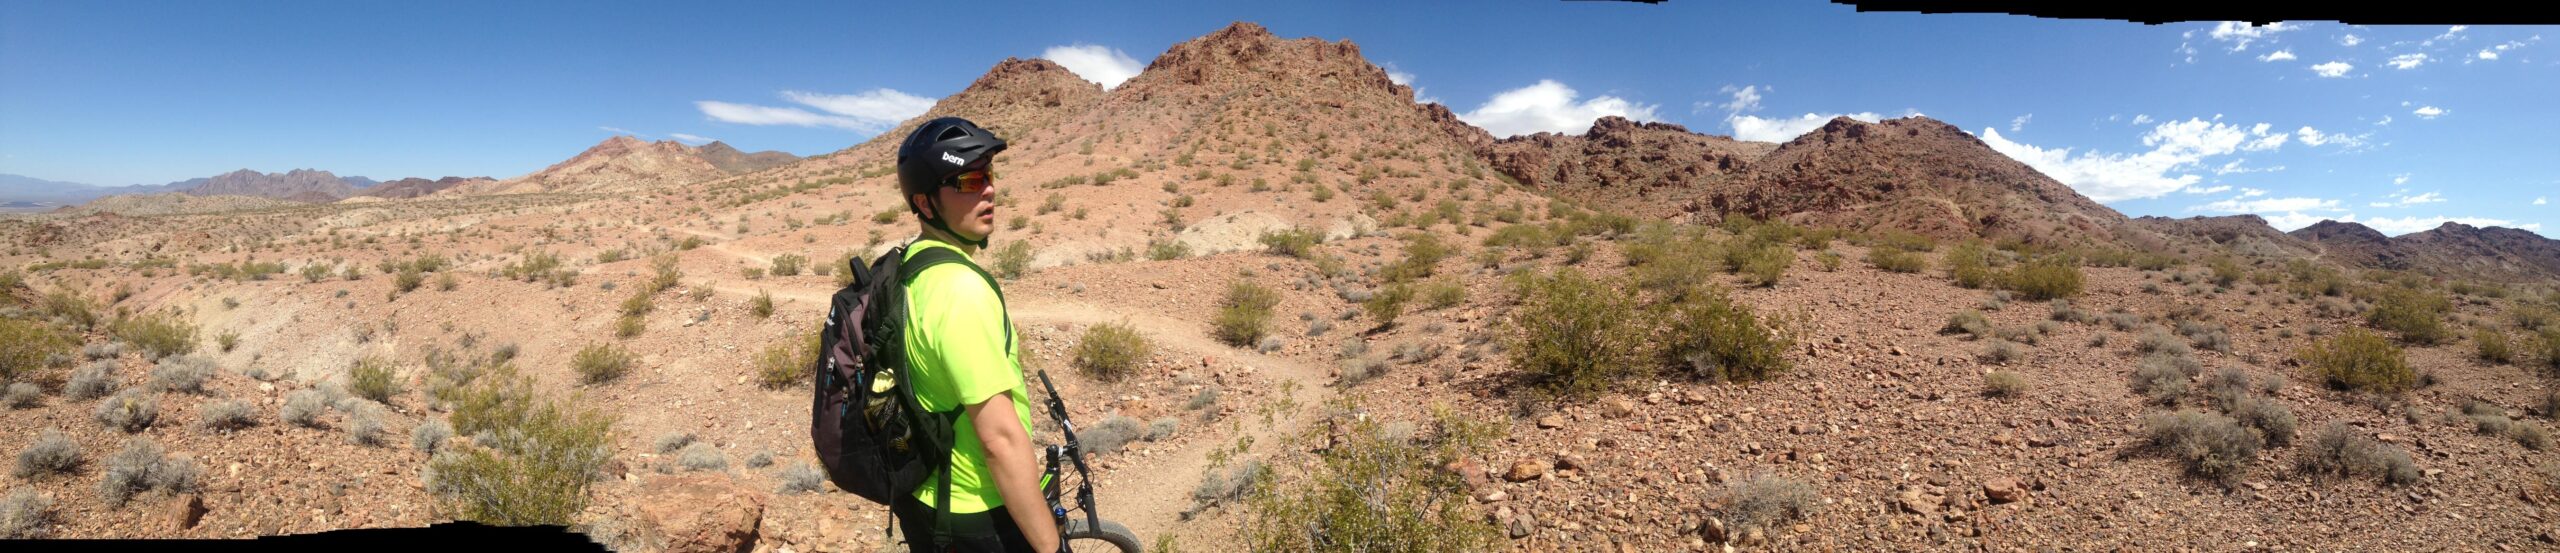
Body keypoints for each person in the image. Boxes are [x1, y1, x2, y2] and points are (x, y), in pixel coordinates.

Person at [889, 117, 1059, 553]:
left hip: (924, 496)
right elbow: (999, 440)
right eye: (967, 180)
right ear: (925, 204)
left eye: (988, 176)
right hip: (975, 512)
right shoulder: (960, 289)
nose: (988, 190)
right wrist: (1049, 547)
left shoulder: (911, 264)